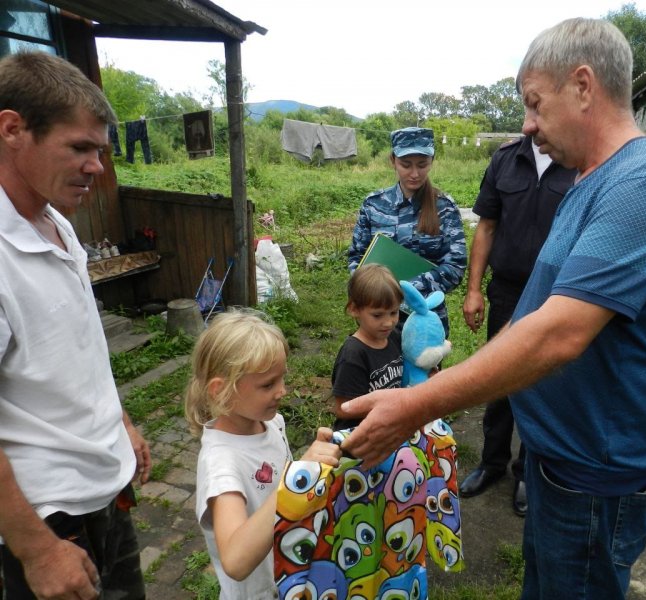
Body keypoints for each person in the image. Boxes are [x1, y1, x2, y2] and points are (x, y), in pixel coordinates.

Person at [340, 18, 646, 599]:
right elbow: (533, 312)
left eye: (535, 104)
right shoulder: (589, 182)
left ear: (583, 86)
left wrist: (417, 403)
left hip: (597, 473)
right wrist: (462, 373)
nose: (527, 124)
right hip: (556, 461)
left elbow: (557, 335)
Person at [0, 52, 152, 600]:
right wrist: (38, 550)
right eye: (79, 148)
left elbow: (79, 348)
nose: (97, 167)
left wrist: (121, 421)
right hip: (49, 518)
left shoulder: (57, 224)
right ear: (13, 129)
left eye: (101, 150)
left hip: (105, 491)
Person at [185, 309, 341, 600]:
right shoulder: (221, 462)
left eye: (282, 378)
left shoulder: (271, 423)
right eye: (268, 384)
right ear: (221, 391)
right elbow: (235, 560)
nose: (282, 391)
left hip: (289, 577)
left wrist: (311, 473)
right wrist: (294, 478)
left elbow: (277, 490)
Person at [459, 138, 577, 517]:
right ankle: (491, 462)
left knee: (541, 382)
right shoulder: (506, 160)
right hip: (508, 291)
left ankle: (527, 471)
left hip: (557, 293)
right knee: (500, 377)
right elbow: (487, 226)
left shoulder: (577, 158)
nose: (532, 118)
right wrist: (474, 289)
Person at [348, 126, 467, 337]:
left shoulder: (444, 207)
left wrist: (406, 288)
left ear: (432, 161)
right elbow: (356, 257)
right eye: (406, 165)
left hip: (425, 319)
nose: (414, 174)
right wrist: (370, 289)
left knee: (425, 370)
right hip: (376, 319)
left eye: (422, 165)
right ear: (393, 160)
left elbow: (455, 266)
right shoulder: (374, 205)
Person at [332, 263, 404, 430]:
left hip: (387, 429)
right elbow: (343, 409)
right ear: (354, 309)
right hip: (359, 440)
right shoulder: (353, 354)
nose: (388, 323)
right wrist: (390, 408)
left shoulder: (394, 336)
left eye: (394, 312)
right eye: (377, 315)